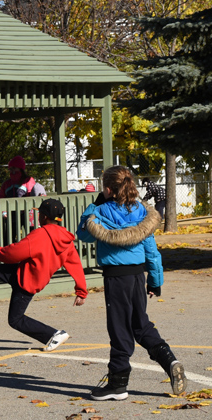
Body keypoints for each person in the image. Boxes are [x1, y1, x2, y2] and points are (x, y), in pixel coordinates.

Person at [79, 166, 186, 400]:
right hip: (138, 276)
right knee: (141, 325)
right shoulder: (141, 211)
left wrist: (94, 205)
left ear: (107, 189)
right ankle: (170, 361)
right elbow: (151, 250)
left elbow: (83, 232)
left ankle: (118, 384)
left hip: (116, 277)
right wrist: (155, 280)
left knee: (119, 328)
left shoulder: (100, 211)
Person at [0, 198, 87, 352]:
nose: (38, 216)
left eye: (39, 213)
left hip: (27, 282)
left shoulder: (40, 235)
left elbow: (15, 253)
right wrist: (81, 291)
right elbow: (75, 265)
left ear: (45, 217)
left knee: (15, 320)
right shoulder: (66, 239)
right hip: (24, 272)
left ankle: (54, 334)